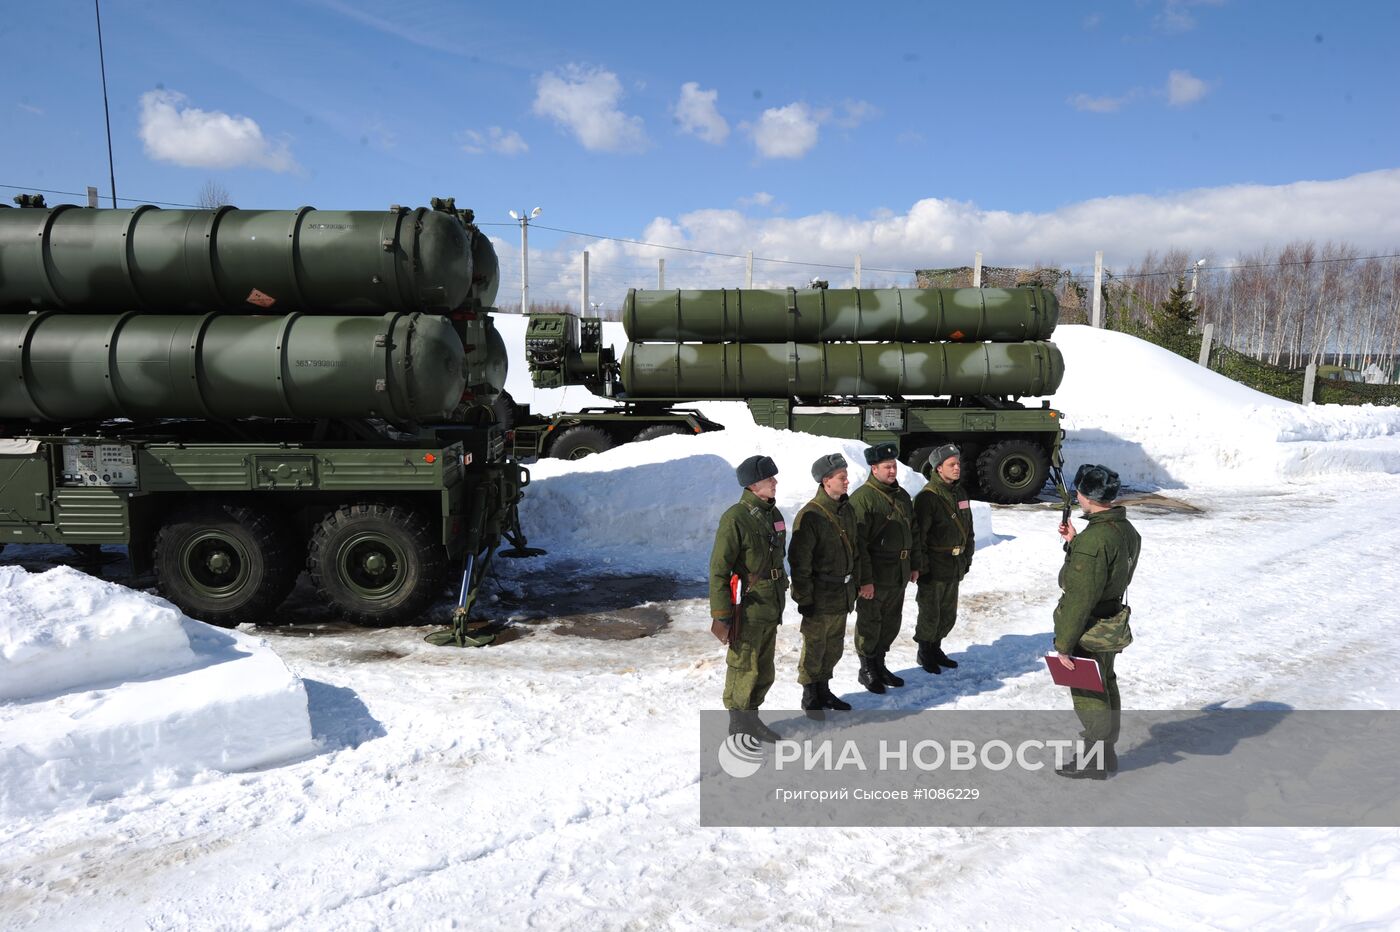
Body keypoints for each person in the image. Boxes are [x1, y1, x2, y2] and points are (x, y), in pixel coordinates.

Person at [1052, 464, 1141, 780]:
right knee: (1106, 683)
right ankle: (1107, 754)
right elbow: (1107, 570)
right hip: (1109, 623)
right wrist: (1075, 542)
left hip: (1088, 628)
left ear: (1085, 496)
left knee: (1089, 692)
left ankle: (1095, 759)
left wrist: (1063, 644)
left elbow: (1079, 597)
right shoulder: (1125, 531)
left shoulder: (1094, 542)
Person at [709, 454, 788, 742]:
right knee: (744, 665)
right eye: (770, 479)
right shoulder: (736, 518)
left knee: (764, 668)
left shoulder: (773, 515)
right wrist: (721, 614)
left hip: (771, 604)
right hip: (748, 607)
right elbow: (719, 568)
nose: (775, 482)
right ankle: (739, 724)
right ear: (754, 485)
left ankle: (752, 717)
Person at [848, 442, 923, 693]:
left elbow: (913, 531)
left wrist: (914, 564)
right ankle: (867, 668)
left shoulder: (901, 495)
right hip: (876, 576)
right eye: (887, 467)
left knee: (891, 622)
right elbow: (858, 545)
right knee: (870, 622)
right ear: (874, 468)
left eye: (894, 466)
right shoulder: (863, 499)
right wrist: (864, 580)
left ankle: (880, 664)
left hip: (899, 574)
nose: (892, 471)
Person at [788, 453, 858, 717]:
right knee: (815, 646)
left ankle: (824, 688)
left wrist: (858, 584)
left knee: (834, 645)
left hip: (842, 593)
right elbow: (799, 562)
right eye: (842, 477)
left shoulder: (847, 510)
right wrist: (804, 598)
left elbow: (857, 550)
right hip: (820, 594)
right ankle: (810, 694)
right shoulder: (811, 515)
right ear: (826, 481)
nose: (847, 481)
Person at [912, 443, 975, 675]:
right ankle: (925, 651)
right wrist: (922, 566)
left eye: (958, 463)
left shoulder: (960, 492)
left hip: (955, 564)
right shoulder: (928, 497)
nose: (957, 468)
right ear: (939, 468)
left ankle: (936, 647)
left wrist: (967, 556)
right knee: (930, 612)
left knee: (948, 612)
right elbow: (919, 536)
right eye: (952, 464)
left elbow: (968, 528)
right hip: (935, 565)